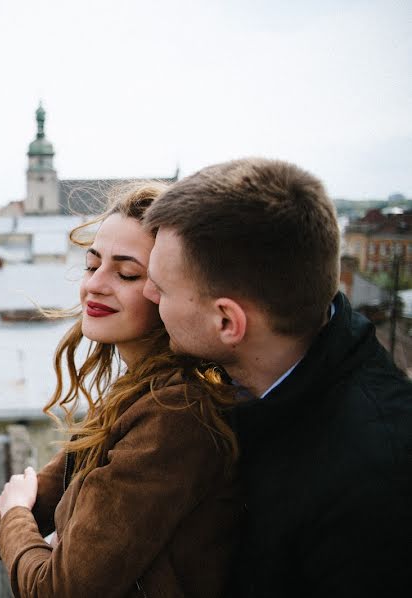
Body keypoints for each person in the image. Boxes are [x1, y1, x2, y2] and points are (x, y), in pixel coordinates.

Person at [0, 183, 241, 597]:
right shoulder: (137, 392)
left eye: (127, 273)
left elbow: (57, 588)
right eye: (92, 266)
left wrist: (14, 512)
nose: (96, 285)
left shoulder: (173, 413)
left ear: (167, 289)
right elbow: (43, 498)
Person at [141, 157, 412, 597]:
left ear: (228, 322)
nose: (148, 296)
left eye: (162, 288)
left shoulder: (373, 486)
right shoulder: (255, 386)